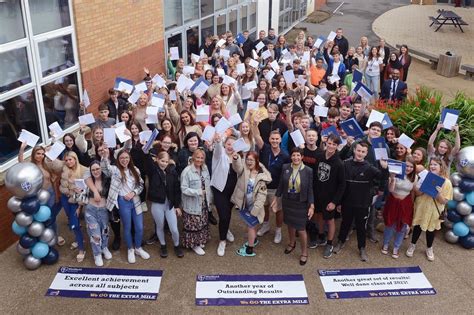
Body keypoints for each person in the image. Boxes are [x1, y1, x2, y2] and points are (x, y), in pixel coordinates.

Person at [334, 142, 388, 262]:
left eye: (363, 152)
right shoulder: (345, 164)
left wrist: (384, 169)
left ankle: (362, 248)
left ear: (366, 153)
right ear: (354, 150)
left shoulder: (369, 167)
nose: (360, 153)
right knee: (345, 224)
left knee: (361, 227)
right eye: (358, 150)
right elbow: (340, 185)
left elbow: (382, 178)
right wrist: (338, 202)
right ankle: (340, 242)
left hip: (363, 203)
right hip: (347, 202)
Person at [99, 148, 150, 264]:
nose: (124, 160)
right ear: (118, 159)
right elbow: (105, 168)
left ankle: (138, 248)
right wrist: (105, 156)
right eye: (122, 158)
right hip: (123, 202)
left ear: (129, 158)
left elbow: (141, 185)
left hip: (135, 200)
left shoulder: (135, 169)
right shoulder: (115, 170)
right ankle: (130, 249)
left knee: (139, 227)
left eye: (126, 158)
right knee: (127, 227)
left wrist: (134, 193)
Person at [274, 148, 314, 265]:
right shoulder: (285, 167)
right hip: (288, 201)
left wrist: (311, 205)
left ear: (302, 157)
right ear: (291, 157)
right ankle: (292, 243)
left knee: (301, 229)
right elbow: (281, 184)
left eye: (298, 155)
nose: (296, 158)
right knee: (290, 224)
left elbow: (310, 189)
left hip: (301, 203)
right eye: (293, 155)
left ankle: (304, 252)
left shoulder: (308, 171)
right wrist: (276, 198)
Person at [407, 157, 453, 261]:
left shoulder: (447, 182)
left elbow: (444, 201)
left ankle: (429, 248)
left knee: (430, 230)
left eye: (435, 165)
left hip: (434, 210)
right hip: (422, 207)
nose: (432, 166)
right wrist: (423, 188)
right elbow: (418, 193)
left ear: (441, 167)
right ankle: (412, 245)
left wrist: (438, 193)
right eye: (431, 164)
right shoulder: (424, 177)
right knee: (417, 227)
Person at [18, 143, 64, 246]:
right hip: (39, 196)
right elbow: (20, 163)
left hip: (51, 193)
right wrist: (22, 149)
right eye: (38, 153)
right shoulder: (30, 166)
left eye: (43, 154)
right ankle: (45, 238)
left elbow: (52, 181)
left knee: (52, 217)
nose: (40, 156)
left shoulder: (46, 164)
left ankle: (55, 236)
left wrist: (56, 195)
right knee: (42, 218)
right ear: (33, 154)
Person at [310, 134, 345, 259]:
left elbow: (342, 185)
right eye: (329, 143)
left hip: (330, 197)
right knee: (318, 215)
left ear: (337, 146)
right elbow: (315, 175)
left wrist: (335, 202)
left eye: (334, 144)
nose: (331, 146)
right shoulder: (319, 156)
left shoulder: (339, 163)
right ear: (326, 143)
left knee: (330, 220)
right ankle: (321, 236)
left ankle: (329, 244)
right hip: (317, 194)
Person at [231, 151, 271, 257]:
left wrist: (254, 211)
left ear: (256, 161)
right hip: (246, 204)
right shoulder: (244, 170)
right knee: (252, 226)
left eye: (251, 160)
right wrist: (236, 159)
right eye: (247, 159)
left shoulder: (261, 176)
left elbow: (261, 197)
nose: (249, 162)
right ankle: (253, 240)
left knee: (251, 227)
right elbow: (237, 167)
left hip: (254, 207)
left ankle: (249, 249)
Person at [145, 151, 184, 258]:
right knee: (160, 226)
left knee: (174, 229)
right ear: (157, 160)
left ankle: (177, 245)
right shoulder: (153, 171)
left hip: (169, 204)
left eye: (166, 162)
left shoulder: (172, 172)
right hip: (157, 204)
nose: (164, 164)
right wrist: (144, 149)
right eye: (162, 161)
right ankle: (163, 245)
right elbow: (147, 160)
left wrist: (177, 206)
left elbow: (177, 190)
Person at [382, 156, 416, 259]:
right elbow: (391, 190)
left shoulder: (415, 177)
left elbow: (414, 192)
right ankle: (386, 244)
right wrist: (392, 178)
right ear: (402, 166)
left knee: (402, 226)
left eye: (411, 166)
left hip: (406, 203)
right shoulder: (395, 174)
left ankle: (396, 247)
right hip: (393, 201)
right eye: (407, 166)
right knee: (390, 223)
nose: (408, 168)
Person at [180, 148, 212, 255]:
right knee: (193, 224)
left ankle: (200, 241)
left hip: (203, 202)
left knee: (201, 223)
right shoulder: (187, 171)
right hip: (192, 204)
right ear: (193, 157)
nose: (200, 160)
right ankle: (194, 245)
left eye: (202, 158)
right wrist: (197, 192)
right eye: (198, 157)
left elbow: (207, 185)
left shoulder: (205, 168)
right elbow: (184, 189)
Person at [81, 161, 113, 267]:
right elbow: (80, 196)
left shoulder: (107, 180)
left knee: (105, 231)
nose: (96, 171)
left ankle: (104, 247)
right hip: (91, 210)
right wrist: (78, 191)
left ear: (101, 169)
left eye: (97, 169)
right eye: (93, 170)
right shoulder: (87, 181)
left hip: (104, 210)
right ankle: (97, 254)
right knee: (95, 234)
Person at [211, 135, 238, 256]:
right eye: (228, 144)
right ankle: (222, 241)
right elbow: (217, 149)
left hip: (233, 192)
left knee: (228, 213)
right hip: (219, 190)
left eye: (233, 144)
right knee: (224, 216)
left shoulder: (238, 157)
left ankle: (225, 229)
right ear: (224, 145)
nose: (230, 147)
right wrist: (217, 142)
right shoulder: (219, 155)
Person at [58, 151, 87, 262]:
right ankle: (79, 239)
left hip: (76, 200)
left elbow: (86, 190)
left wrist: (80, 206)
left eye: (70, 159)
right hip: (65, 198)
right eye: (66, 160)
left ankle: (81, 249)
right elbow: (62, 188)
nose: (68, 162)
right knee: (71, 220)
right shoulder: (64, 169)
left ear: (75, 159)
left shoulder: (84, 170)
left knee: (74, 222)